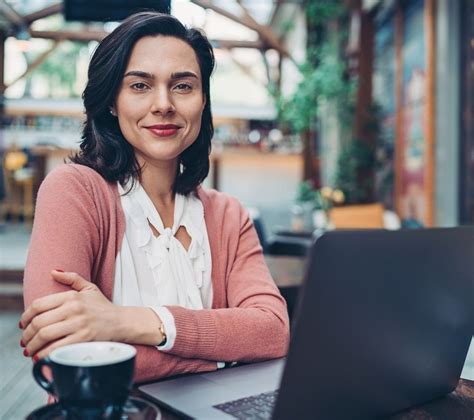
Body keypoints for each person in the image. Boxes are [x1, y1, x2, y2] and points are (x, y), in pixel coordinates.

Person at [19, 12, 289, 384]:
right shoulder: (74, 192)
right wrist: (226, 356)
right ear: (112, 101)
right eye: (140, 86)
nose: (163, 104)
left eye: (182, 86)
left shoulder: (228, 215)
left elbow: (272, 331)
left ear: (202, 101)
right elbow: (61, 360)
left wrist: (128, 322)